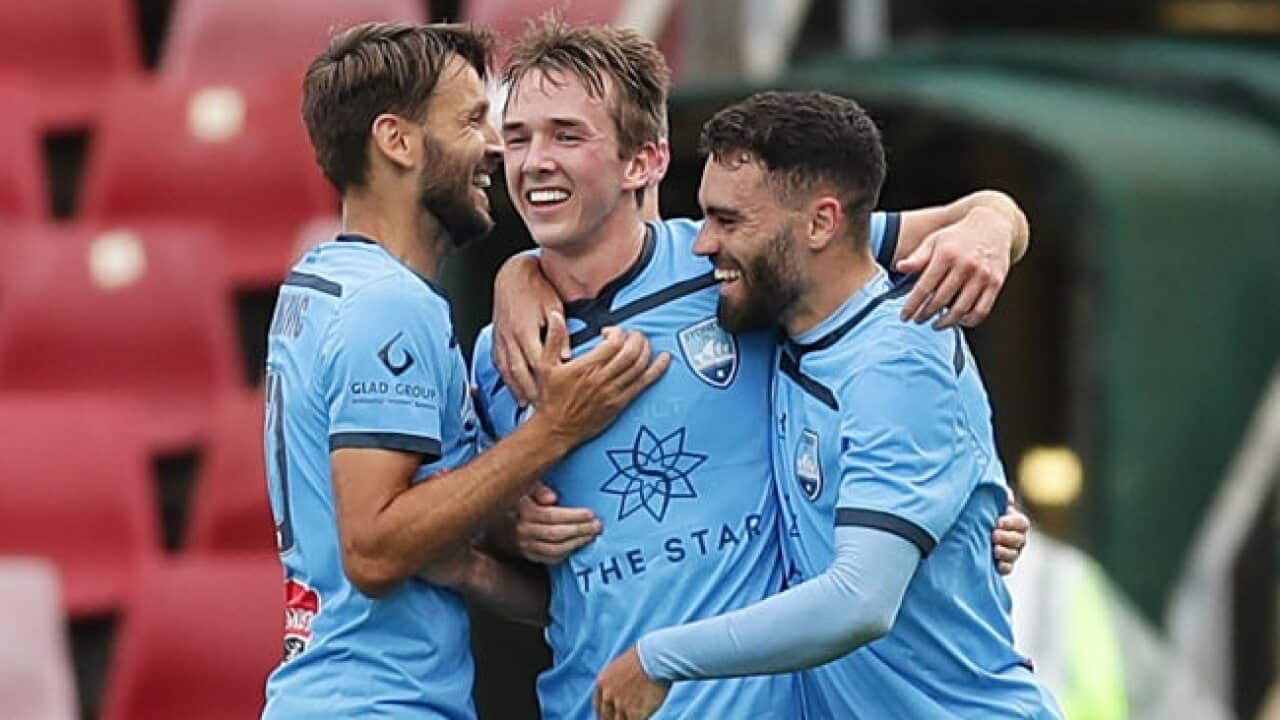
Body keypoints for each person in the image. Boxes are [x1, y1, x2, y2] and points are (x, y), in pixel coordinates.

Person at [471, 18, 1030, 720]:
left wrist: (994, 226)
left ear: (644, 161)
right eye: (517, 137)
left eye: (566, 135)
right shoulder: (500, 351)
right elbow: (502, 547)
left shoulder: (736, 273)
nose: (534, 161)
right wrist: (507, 525)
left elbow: (935, 226)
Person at [592, 90, 1062, 719]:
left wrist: (658, 657)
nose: (703, 245)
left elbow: (860, 602)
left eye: (728, 221)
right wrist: (522, 278)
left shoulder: (896, 361)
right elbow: (976, 213)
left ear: (819, 224)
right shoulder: (794, 312)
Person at [261, 22, 668, 719]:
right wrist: (553, 431)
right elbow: (374, 550)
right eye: (473, 120)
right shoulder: (389, 304)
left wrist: (490, 544)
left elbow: (416, 531)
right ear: (398, 141)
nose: (495, 147)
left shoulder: (323, 281)